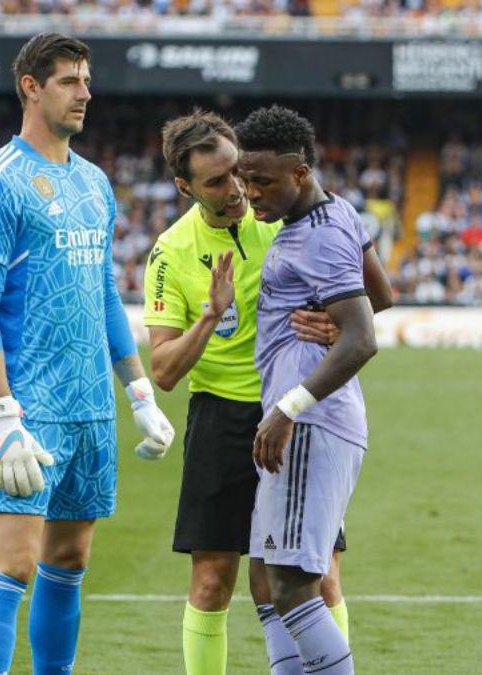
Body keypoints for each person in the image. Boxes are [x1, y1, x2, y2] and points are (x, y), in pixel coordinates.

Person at [0, 33, 175, 675]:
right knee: (14, 560)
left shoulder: (95, 182)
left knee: (70, 561)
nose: (86, 93)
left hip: (91, 405)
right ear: (31, 86)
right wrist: (1, 413)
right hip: (29, 407)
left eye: (87, 80)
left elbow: (103, 291)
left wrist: (138, 392)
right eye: (70, 81)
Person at [145, 109, 392, 675]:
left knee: (314, 574)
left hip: (295, 410)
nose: (237, 190)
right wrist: (209, 317)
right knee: (219, 579)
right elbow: (162, 370)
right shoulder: (172, 251)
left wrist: (340, 324)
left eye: (240, 173)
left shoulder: (279, 207)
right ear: (185, 187)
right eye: (217, 181)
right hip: (225, 415)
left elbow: (365, 301)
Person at [237, 105, 389, 675]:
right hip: (305, 419)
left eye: (262, 180)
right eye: (244, 179)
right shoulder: (336, 214)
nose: (250, 192)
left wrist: (289, 409)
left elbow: (364, 338)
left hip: (310, 422)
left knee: (296, 584)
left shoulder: (319, 236)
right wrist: (339, 319)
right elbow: (383, 294)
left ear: (299, 171)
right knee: (265, 575)